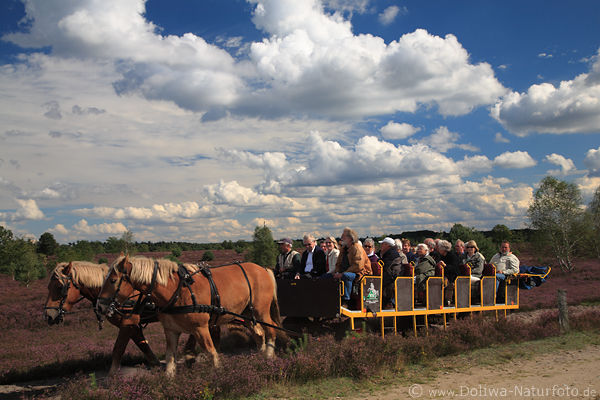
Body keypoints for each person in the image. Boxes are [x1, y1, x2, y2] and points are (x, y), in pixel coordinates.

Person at [334, 228, 371, 307]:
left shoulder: (357, 248)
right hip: (345, 272)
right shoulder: (343, 249)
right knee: (327, 276)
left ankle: (346, 301)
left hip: (360, 273)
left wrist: (342, 273)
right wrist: (337, 272)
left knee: (346, 276)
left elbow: (358, 266)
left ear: (350, 238)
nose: (341, 237)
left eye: (343, 236)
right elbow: (338, 263)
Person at [380, 237, 406, 307]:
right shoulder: (387, 254)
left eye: (382, 244)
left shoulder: (391, 255)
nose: (381, 246)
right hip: (390, 279)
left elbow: (387, 271)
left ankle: (387, 303)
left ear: (387, 245)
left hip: (391, 281)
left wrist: (380, 281)